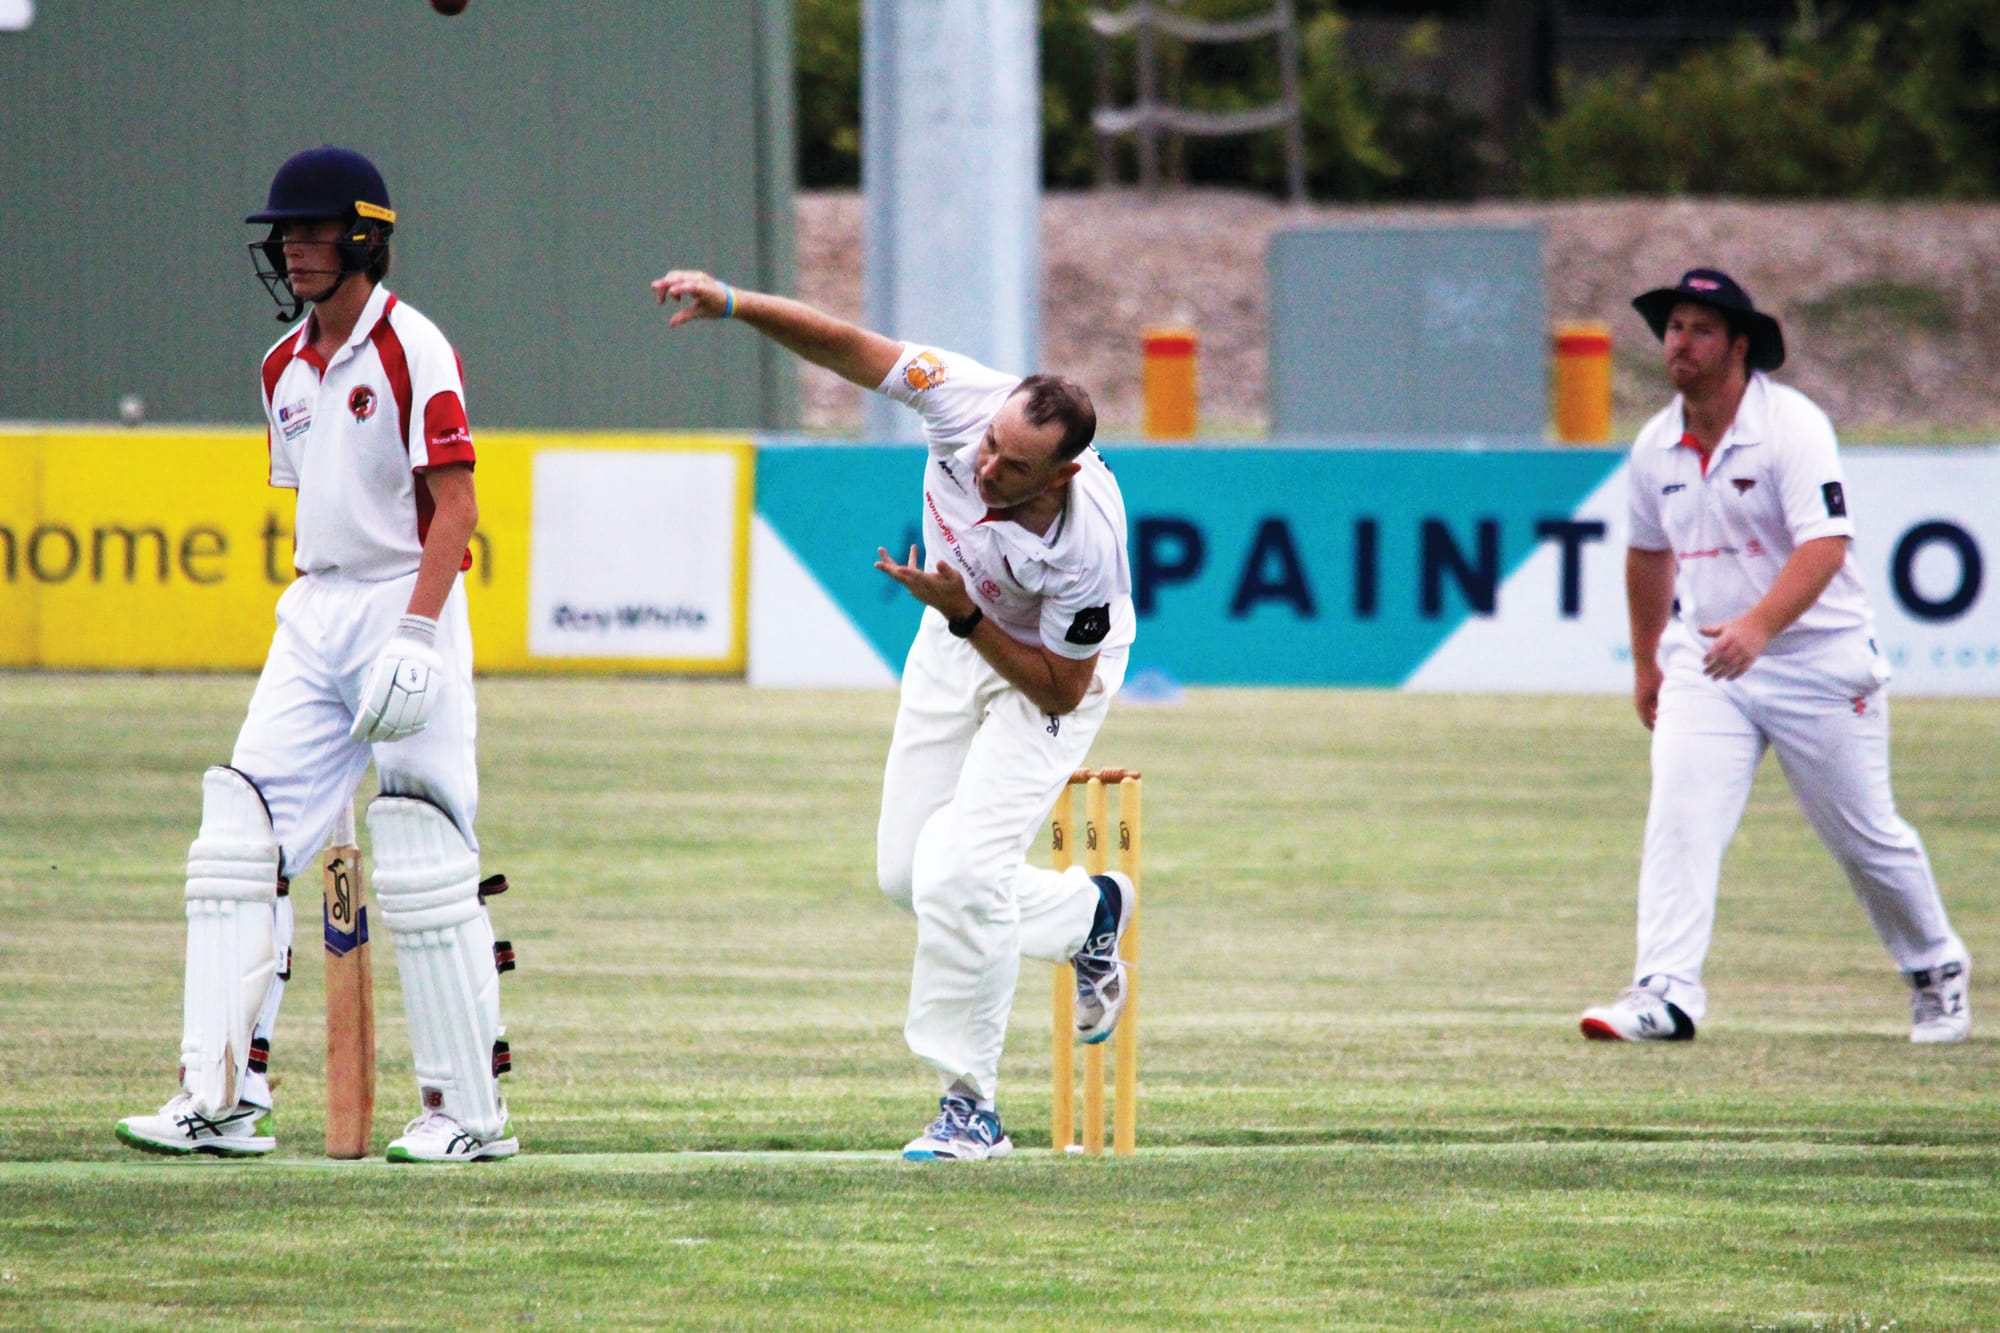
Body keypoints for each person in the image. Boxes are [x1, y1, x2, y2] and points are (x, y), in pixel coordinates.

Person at [652, 269, 1137, 1159]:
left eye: (1014, 466)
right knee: (907, 875)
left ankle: (971, 1107)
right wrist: (733, 303)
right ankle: (1088, 918)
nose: (986, 467)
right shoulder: (960, 399)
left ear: (1064, 472)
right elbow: (849, 348)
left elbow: (1061, 691)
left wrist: (962, 612)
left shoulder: (1087, 547)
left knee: (960, 871)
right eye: (989, 445)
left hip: (1053, 675)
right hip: (956, 633)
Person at [115, 146, 517, 1161]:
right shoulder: (280, 366)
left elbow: (455, 503)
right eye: (283, 233)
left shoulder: (410, 345)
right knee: (238, 840)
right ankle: (222, 1095)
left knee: (426, 847)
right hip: (318, 607)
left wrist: (420, 632)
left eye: (309, 230)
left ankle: (468, 1114)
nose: (291, 248)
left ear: (364, 236)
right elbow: (321, 503)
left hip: (404, 603)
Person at [1580, 268, 1970, 1045]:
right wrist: (1648, 664)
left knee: (1863, 835)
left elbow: (1826, 545)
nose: (1678, 343)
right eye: (1673, 327)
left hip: (1817, 659)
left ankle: (1935, 969)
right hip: (1706, 662)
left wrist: (1758, 628)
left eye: (1698, 329)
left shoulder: (1792, 426)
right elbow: (1648, 555)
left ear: (1739, 346)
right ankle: (1666, 990)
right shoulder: (1656, 443)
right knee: (1680, 814)